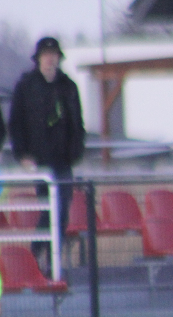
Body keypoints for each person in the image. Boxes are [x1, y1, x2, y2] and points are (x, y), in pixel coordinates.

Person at [7, 36, 85, 271]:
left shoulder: (68, 86)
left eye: (54, 55)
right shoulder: (26, 86)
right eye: (46, 55)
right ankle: (38, 254)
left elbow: (77, 122)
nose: (51, 59)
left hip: (64, 159)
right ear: (39, 58)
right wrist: (22, 155)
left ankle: (50, 257)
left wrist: (76, 150)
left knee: (62, 209)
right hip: (39, 161)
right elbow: (16, 123)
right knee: (49, 208)